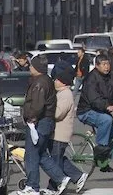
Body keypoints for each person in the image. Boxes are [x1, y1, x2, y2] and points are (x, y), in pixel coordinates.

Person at [19, 55, 71, 195]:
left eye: (31, 66)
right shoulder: (46, 80)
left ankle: (32, 186)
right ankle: (61, 178)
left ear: (36, 68)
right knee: (40, 154)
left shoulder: (39, 83)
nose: (29, 68)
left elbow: (37, 105)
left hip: (38, 122)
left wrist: (30, 118)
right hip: (45, 122)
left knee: (31, 154)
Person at [47, 67, 88, 194]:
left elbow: (58, 113)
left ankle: (54, 186)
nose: (54, 81)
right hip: (56, 133)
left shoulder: (65, 94)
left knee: (56, 162)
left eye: (57, 79)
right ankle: (77, 176)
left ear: (63, 82)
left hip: (60, 134)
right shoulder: (61, 93)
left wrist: (47, 109)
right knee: (59, 159)